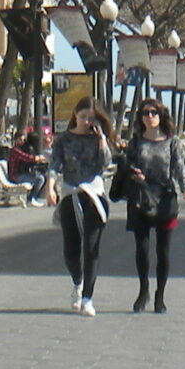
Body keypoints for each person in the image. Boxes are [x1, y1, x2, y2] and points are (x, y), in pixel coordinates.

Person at [119, 98, 185, 313]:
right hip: (141, 199)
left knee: (163, 250)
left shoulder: (171, 141)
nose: (149, 116)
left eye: (153, 112)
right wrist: (134, 173)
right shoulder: (136, 142)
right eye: (145, 113)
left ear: (161, 115)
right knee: (142, 249)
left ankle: (160, 295)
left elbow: (180, 166)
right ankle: (144, 291)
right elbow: (127, 164)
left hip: (164, 199)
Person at [47, 99, 117, 315]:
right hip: (71, 193)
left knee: (91, 248)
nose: (87, 121)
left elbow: (105, 163)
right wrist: (50, 188)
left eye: (91, 118)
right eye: (83, 116)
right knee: (71, 250)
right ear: (75, 115)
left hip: (94, 194)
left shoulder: (96, 139)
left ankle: (88, 298)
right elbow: (54, 165)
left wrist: (102, 140)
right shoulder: (64, 139)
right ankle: (78, 282)